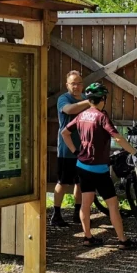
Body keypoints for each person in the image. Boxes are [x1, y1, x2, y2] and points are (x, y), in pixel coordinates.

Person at [60, 83, 137, 248]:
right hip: (100, 169)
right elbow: (118, 138)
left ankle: (88, 237)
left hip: (82, 165)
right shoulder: (101, 116)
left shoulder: (82, 116)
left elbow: (64, 133)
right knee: (112, 204)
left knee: (86, 203)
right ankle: (123, 240)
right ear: (103, 99)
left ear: (89, 100)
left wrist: (75, 151)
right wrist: (134, 152)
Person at [52, 70, 92, 226]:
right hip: (67, 150)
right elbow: (70, 110)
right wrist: (90, 101)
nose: (76, 86)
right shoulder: (64, 99)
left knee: (80, 182)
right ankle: (56, 214)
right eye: (73, 83)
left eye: (79, 83)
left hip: (84, 147)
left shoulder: (84, 98)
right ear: (67, 85)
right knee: (63, 182)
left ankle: (77, 212)